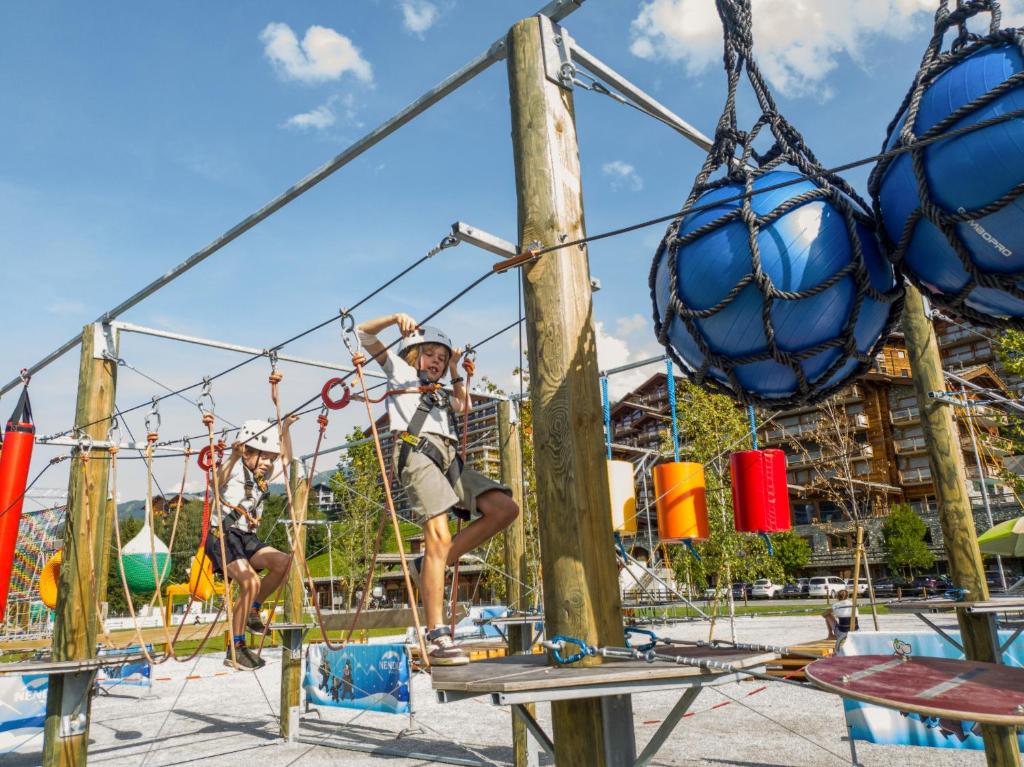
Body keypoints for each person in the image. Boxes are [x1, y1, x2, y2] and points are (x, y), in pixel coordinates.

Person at [356, 313, 519, 666]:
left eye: (442, 359)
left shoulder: (443, 393)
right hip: (416, 453)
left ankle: (430, 564)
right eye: (430, 354)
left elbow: (465, 405)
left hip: (448, 460)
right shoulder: (400, 373)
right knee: (439, 536)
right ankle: (436, 634)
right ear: (414, 355)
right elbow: (363, 334)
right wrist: (393, 319)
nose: (437, 362)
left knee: (505, 509)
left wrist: (456, 370)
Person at [206, 417, 297, 670]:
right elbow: (216, 482)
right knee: (251, 582)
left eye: (270, 458)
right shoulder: (236, 467)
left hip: (246, 538)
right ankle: (236, 648)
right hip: (224, 536)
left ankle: (253, 609)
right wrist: (234, 456)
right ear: (247, 452)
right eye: (263, 457)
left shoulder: (261, 476)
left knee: (284, 563)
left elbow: (286, 460)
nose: (268, 463)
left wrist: (285, 430)